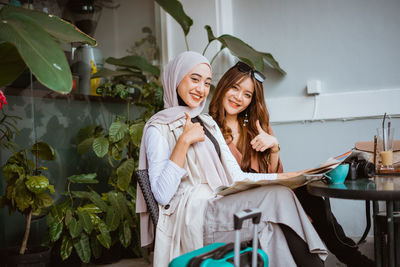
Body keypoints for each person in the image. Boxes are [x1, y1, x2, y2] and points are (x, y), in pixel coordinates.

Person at [136, 51, 328, 267]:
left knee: (277, 208)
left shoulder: (207, 123)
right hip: (192, 216)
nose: (201, 89)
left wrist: (287, 176)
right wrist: (183, 142)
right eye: (195, 79)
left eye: (207, 83)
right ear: (176, 77)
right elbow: (162, 195)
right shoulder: (158, 127)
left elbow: (235, 176)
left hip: (219, 202)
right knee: (279, 200)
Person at [209, 61, 375, 267]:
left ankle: (351, 257)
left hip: (267, 192)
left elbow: (274, 173)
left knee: (309, 193)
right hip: (237, 198)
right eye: (235, 88)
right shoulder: (209, 127)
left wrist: (274, 148)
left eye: (247, 94)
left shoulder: (256, 126)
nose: (238, 98)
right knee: (297, 198)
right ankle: (352, 259)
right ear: (224, 86)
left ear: (252, 100)